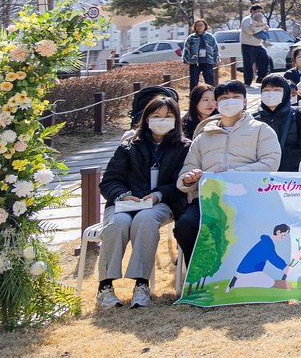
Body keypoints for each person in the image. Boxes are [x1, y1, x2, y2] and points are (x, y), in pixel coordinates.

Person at [96, 95, 190, 310]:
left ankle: (141, 284)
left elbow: (181, 183)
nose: (162, 120)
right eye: (156, 116)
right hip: (125, 203)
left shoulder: (185, 147)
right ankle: (105, 286)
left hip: (160, 204)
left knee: (146, 219)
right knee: (117, 224)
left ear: (176, 119)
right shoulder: (128, 146)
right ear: (146, 119)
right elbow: (109, 181)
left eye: (168, 116)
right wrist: (122, 195)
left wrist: (158, 195)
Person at [175, 80, 282, 264]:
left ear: (245, 101)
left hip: (250, 197)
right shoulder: (203, 136)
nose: (230, 102)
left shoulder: (261, 130)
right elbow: (186, 171)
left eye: (235, 97)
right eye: (224, 98)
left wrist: (232, 173)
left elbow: (270, 163)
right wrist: (189, 179)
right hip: (210, 199)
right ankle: (198, 275)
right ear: (216, 104)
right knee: (185, 225)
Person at [255, 74, 301, 173]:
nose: (271, 93)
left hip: (293, 176)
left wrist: (277, 162)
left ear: (286, 93)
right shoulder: (253, 119)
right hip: (260, 175)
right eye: (266, 90)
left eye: (276, 90)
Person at [225, 224, 290, 292]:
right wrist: (284, 267)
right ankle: (237, 282)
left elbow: (272, 256)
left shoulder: (267, 241)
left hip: (247, 271)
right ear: (278, 232)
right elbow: (273, 257)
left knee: (266, 282)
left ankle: (237, 281)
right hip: (248, 272)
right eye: (284, 234)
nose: (284, 237)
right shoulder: (267, 243)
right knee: (269, 283)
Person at [183, 19, 219, 90]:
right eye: (197, 25)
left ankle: (212, 96)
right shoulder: (191, 38)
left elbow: (215, 49)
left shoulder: (210, 37)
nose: (199, 27)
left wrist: (216, 59)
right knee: (193, 81)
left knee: (210, 81)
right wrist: (186, 60)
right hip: (195, 62)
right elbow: (186, 49)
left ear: (205, 26)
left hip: (207, 62)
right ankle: (193, 97)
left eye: (201, 25)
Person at [239, 4, 270, 86]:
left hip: (258, 44)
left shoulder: (260, 20)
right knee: (248, 64)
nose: (259, 13)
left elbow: (265, 29)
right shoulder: (246, 20)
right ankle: (247, 82)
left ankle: (261, 78)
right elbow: (250, 32)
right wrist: (262, 28)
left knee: (265, 58)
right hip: (248, 44)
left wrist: (264, 28)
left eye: (260, 11)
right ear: (252, 11)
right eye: (257, 11)